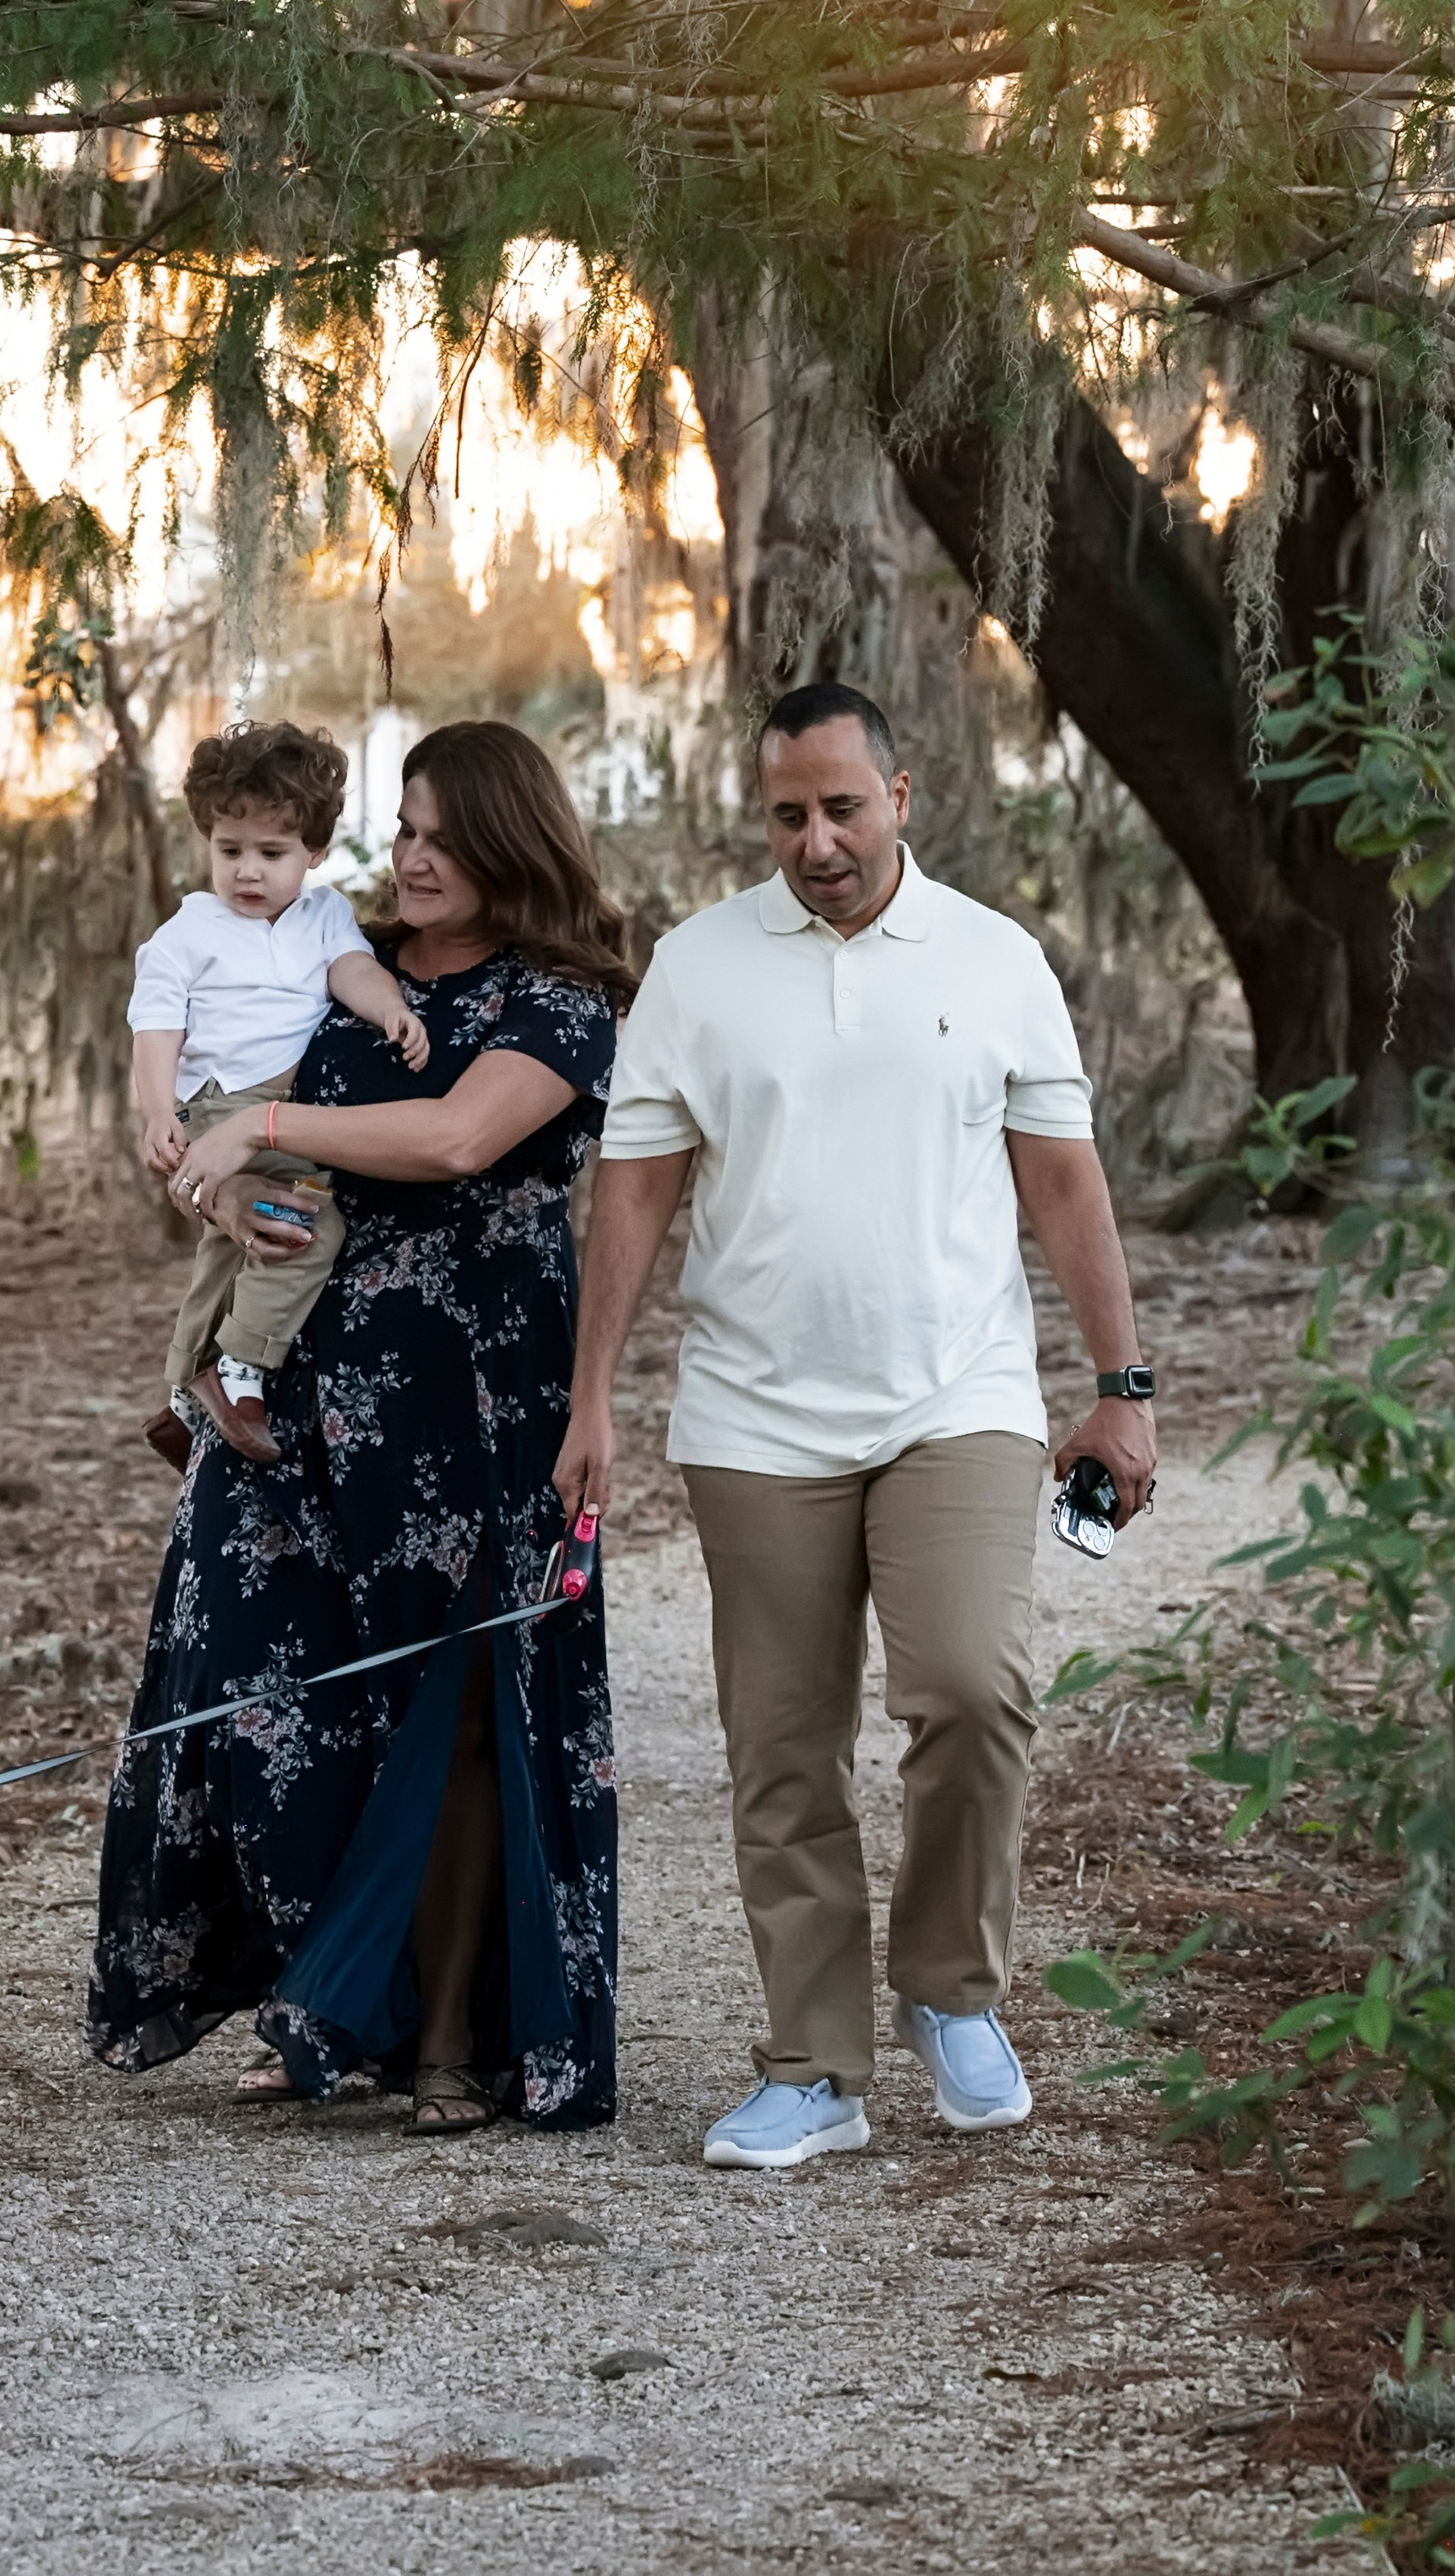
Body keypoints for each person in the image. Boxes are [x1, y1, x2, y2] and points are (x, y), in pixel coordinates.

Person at [553, 680, 1156, 2169]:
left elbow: (1062, 1180)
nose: (816, 842)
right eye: (787, 815)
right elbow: (634, 1188)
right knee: (783, 1744)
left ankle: (949, 1986)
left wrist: (1122, 1385)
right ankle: (813, 2068)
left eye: (841, 807)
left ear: (902, 795)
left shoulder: (995, 958)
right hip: (753, 1415)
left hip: (959, 1393)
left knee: (974, 1687)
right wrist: (592, 1393)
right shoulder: (698, 966)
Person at [91, 720, 632, 2134]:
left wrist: (267, 1131)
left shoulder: (562, 996)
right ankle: (327, 2002)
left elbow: (457, 1135)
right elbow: (215, 1109)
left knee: (453, 1708)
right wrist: (222, 1189)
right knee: (270, 1686)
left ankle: (448, 2033)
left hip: (475, 1394)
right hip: (297, 1383)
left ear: (511, 836)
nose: (414, 856)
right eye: (404, 828)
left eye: (443, 833)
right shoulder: (340, 957)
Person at [128, 720, 427, 1470]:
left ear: (314, 852)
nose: (248, 873)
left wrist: (390, 1007)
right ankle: (241, 1369)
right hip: (223, 1104)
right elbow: (157, 1026)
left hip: (286, 1112)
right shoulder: (188, 933)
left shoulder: (325, 917)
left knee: (232, 1244)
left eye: (271, 853)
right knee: (304, 1225)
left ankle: (180, 1385)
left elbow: (352, 971)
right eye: (229, 851)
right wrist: (159, 1111)